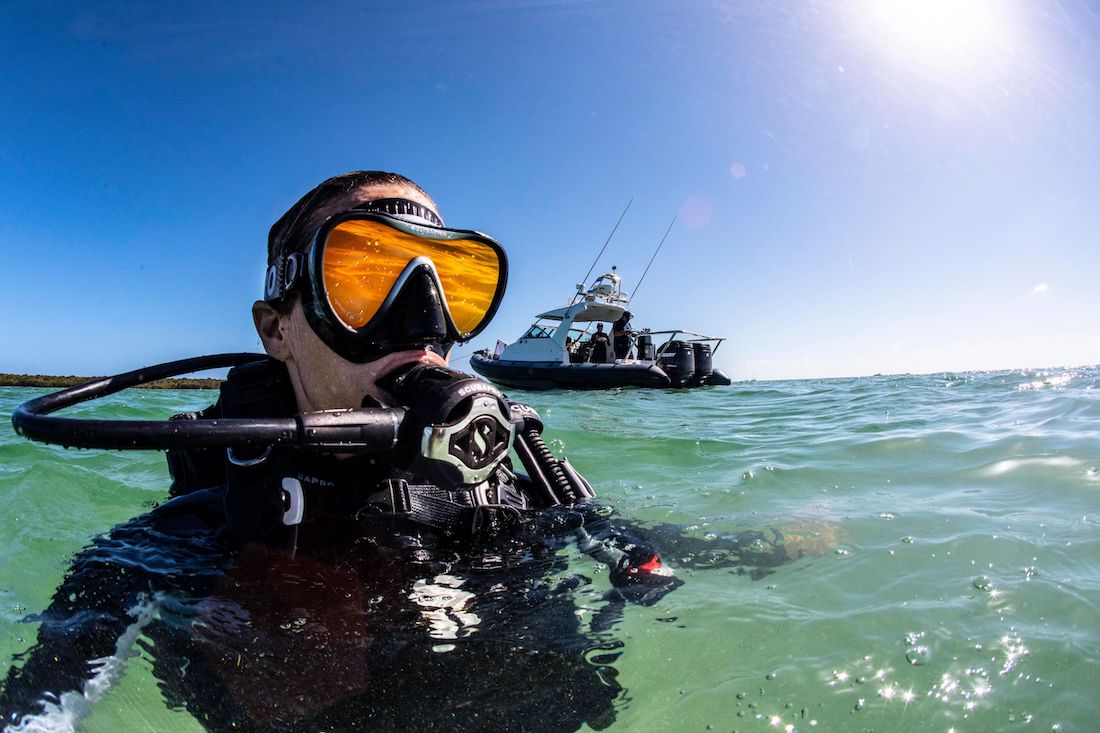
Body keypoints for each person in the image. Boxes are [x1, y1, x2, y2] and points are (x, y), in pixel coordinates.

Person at [1, 171, 823, 733]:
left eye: (452, 284)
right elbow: (47, 690)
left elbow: (631, 542)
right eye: (363, 277)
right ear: (277, 328)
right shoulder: (190, 537)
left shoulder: (510, 487)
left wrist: (788, 541)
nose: (423, 323)